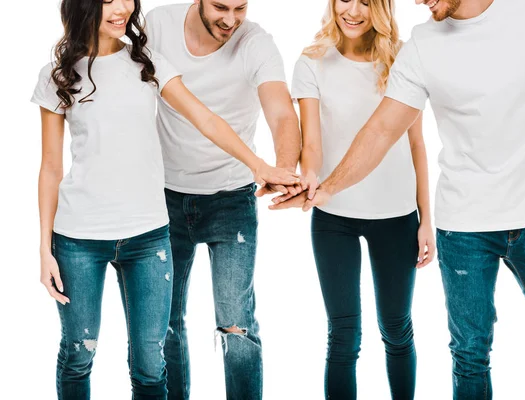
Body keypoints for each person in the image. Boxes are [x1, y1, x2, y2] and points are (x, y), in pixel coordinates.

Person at [273, 0, 525, 398]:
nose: (418, 1)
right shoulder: (423, 45)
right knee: (469, 357)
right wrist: (323, 189)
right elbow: (381, 131)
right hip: (462, 230)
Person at [33, 1, 297, 399]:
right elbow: (51, 166)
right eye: (107, 0)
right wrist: (44, 247)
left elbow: (204, 118)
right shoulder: (57, 77)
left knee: (150, 367)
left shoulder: (147, 62)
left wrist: (259, 165)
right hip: (78, 238)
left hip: (149, 236)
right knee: (77, 356)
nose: (121, 8)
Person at [272, 0, 434, 398]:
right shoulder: (312, 62)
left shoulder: (402, 58)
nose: (354, 10)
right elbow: (312, 144)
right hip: (333, 217)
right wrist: (307, 181)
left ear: (382, 8)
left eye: (366, 1)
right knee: (343, 335)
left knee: (397, 329)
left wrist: (426, 218)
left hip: (396, 215)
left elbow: (416, 145)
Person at [144, 1, 302, 398]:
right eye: (220, 7)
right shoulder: (158, 24)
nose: (230, 20)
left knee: (237, 323)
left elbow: (282, 113)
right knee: (163, 323)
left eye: (240, 7)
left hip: (231, 200)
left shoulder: (256, 44)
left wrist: (281, 169)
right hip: (162, 197)